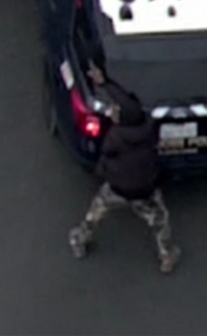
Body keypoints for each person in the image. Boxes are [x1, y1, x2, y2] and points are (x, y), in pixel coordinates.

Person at [69, 61, 181, 274]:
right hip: (144, 189)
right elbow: (128, 104)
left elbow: (106, 156)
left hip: (118, 187)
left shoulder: (116, 137)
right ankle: (166, 255)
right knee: (159, 220)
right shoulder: (147, 130)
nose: (114, 112)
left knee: (96, 211)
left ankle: (79, 240)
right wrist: (107, 84)